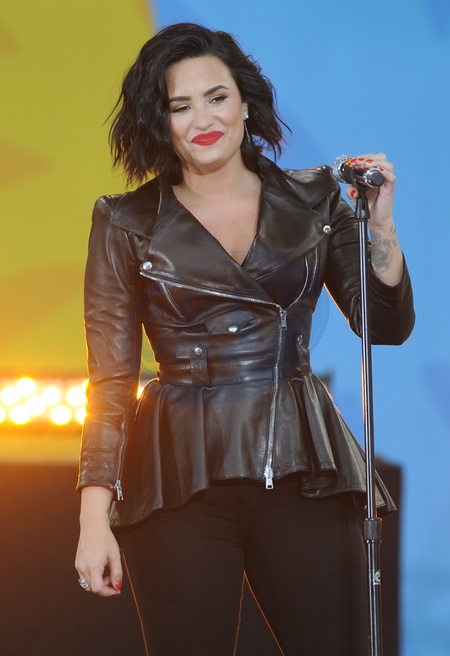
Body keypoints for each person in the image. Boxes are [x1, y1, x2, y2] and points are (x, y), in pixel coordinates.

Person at [75, 22, 414, 656]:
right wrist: (94, 517)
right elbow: (111, 383)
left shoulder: (316, 199)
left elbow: (386, 327)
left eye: (217, 97)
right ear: (160, 121)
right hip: (178, 480)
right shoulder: (125, 221)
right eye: (180, 105)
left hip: (303, 467)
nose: (203, 119)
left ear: (246, 103)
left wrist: (382, 228)